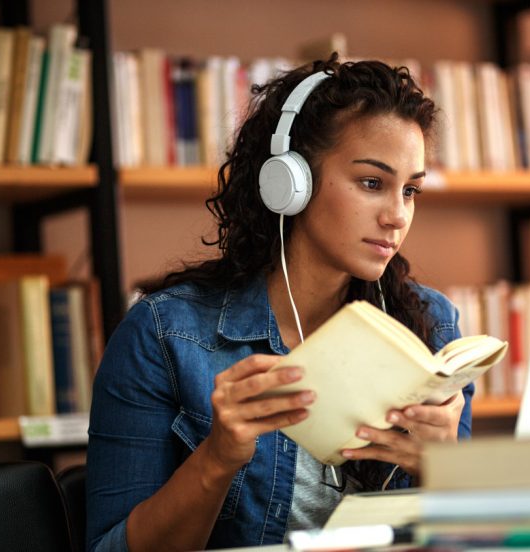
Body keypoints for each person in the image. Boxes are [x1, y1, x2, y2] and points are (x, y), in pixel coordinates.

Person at [86, 55, 475, 552]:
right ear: (291, 182)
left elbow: (460, 540)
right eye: (372, 183)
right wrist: (218, 458)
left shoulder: (432, 326)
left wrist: (443, 469)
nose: (398, 216)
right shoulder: (163, 335)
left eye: (411, 189)